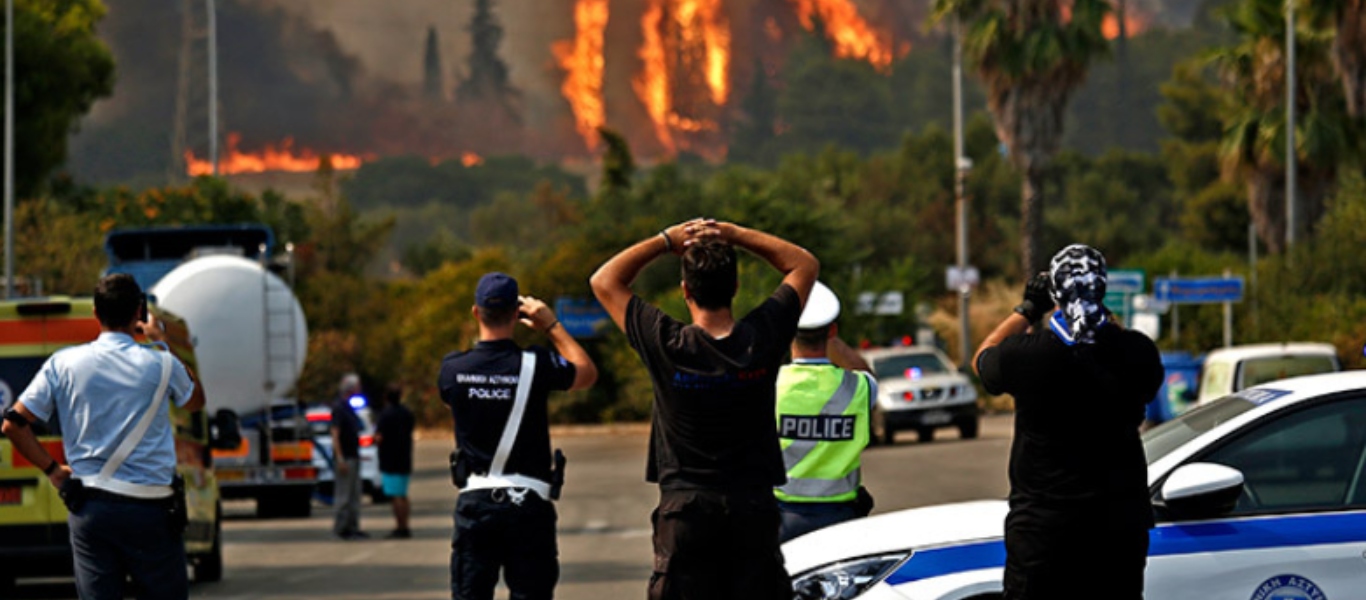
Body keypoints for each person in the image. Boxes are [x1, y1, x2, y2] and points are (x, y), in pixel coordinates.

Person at [589, 219, 819, 600]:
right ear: (736, 288)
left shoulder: (668, 344)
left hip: (686, 510)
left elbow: (604, 280)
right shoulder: (760, 338)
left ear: (684, 291)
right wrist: (733, 234)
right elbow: (804, 264)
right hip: (752, 507)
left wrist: (666, 240)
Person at [972, 245, 1163, 600]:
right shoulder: (1138, 352)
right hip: (1118, 528)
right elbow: (1117, 346)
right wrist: (1098, 318)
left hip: (1043, 532)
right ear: (1102, 290)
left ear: (1055, 294)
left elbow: (982, 357)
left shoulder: (1025, 356)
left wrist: (1029, 308)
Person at [1, 273, 203, 600]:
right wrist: (161, 342)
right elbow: (195, 401)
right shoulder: (162, 363)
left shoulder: (62, 364)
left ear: (96, 313)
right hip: (152, 511)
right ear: (139, 312)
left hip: (91, 507)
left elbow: (13, 425)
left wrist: (53, 471)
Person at [438, 272, 597, 600]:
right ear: (517, 313)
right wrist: (551, 326)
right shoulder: (535, 364)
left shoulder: (453, 369)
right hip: (529, 504)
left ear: (475, 312)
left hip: (476, 504)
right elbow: (586, 373)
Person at [773, 281, 877, 543]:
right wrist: (830, 335)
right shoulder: (860, 387)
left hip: (782, 517)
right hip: (841, 518)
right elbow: (865, 370)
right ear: (832, 330)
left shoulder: (768, 387)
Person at [375, 383, 415, 539]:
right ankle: (405, 524)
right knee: (403, 494)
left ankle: (401, 526)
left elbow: (379, 437)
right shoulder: (407, 413)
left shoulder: (385, 415)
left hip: (390, 459)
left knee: (396, 495)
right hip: (405, 457)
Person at [332, 373, 367, 540]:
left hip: (354, 455)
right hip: (345, 457)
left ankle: (353, 526)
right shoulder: (339, 408)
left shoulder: (348, 407)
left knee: (354, 494)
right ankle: (342, 528)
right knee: (344, 495)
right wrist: (340, 458)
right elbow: (335, 434)